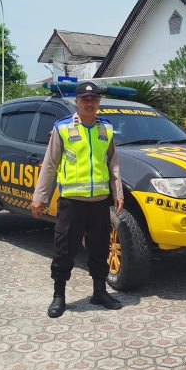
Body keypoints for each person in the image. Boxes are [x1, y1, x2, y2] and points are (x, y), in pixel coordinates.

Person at [31, 81, 125, 318]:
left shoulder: (106, 128)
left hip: (100, 202)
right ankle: (59, 296)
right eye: (85, 99)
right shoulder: (62, 128)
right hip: (72, 202)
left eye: (94, 100)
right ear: (77, 102)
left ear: (99, 102)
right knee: (65, 249)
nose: (90, 103)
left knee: (100, 248)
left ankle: (99, 292)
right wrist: (40, 197)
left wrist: (118, 193)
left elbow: (112, 163)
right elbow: (50, 164)